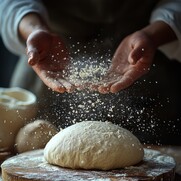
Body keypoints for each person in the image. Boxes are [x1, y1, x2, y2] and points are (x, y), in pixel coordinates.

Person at [0, 0, 181, 145]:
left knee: (159, 159)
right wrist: (34, 30)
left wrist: (153, 35)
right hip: (48, 58)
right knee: (35, 153)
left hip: (141, 60)